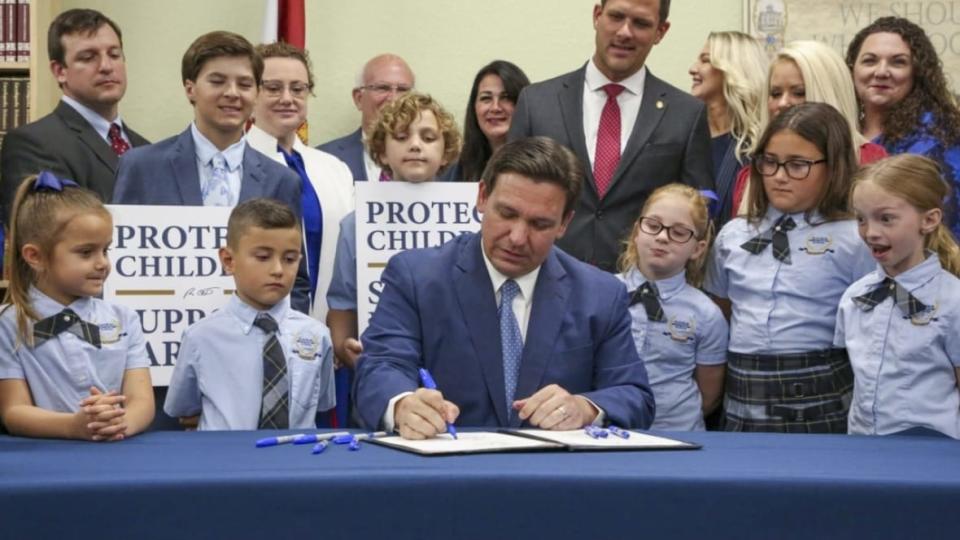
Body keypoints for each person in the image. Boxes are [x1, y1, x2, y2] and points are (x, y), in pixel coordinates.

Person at [354, 136, 655, 439]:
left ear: (564, 223)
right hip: (446, 474)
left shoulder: (600, 294)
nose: (517, 237)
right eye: (508, 214)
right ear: (482, 197)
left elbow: (634, 395)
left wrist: (586, 408)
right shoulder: (416, 277)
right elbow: (379, 370)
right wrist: (404, 405)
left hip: (556, 477)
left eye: (540, 224)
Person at [110, 31, 311, 314]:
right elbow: (119, 268)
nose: (232, 93)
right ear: (190, 88)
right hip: (161, 342)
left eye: (244, 84)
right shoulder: (141, 167)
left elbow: (297, 280)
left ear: (255, 93)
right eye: (217, 81)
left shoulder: (282, 179)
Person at [704, 103, 875, 433]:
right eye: (770, 162)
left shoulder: (854, 239)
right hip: (743, 394)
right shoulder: (733, 235)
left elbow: (869, 328)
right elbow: (719, 313)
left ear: (833, 166)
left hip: (822, 394)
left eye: (798, 165)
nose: (780, 177)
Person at [508, 0, 713, 272]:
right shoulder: (536, 102)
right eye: (616, 16)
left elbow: (699, 211)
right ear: (597, 15)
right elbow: (511, 194)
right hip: (545, 277)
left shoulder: (687, 114)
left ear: (661, 31)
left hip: (639, 291)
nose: (625, 32)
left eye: (640, 23)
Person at [0, 172, 154, 440]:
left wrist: (117, 424)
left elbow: (142, 402)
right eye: (86, 252)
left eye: (106, 250)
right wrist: (74, 425)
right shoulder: (11, 324)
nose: (102, 263)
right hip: (48, 458)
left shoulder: (124, 319)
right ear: (35, 256)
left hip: (118, 448)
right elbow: (14, 411)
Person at [164, 198, 335, 430]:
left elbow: (322, 405)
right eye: (263, 257)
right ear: (228, 260)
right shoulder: (200, 338)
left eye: (290, 259)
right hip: (225, 461)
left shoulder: (317, 336)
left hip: (297, 460)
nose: (277, 270)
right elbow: (184, 410)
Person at [326, 92, 461, 371]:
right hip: (382, 365)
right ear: (381, 152)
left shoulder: (473, 221)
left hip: (458, 365)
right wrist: (343, 345)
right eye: (401, 137)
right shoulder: (356, 224)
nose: (414, 145)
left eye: (428, 137)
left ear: (446, 151)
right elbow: (342, 303)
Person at [838, 155, 960, 439]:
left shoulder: (953, 300)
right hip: (863, 446)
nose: (871, 232)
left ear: (929, 220)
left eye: (886, 219)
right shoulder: (854, 297)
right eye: (861, 219)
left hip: (933, 452)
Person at [0, 8, 149, 223]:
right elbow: (43, 231)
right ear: (60, 71)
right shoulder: (32, 144)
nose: (106, 66)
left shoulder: (146, 149)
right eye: (88, 57)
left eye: (114, 55)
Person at [246, 42, 354, 320]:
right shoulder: (235, 165)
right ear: (252, 93)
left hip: (329, 327)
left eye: (298, 89)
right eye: (272, 88)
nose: (287, 98)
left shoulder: (335, 169)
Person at [732, 40, 888, 216]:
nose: (783, 103)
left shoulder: (871, 162)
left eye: (799, 92)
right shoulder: (751, 176)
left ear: (828, 94)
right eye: (775, 94)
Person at [617, 183, 726, 430]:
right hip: (610, 432)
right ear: (637, 231)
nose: (662, 237)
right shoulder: (603, 293)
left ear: (697, 249)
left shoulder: (706, 314)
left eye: (678, 233)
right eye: (653, 226)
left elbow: (709, 396)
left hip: (678, 434)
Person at [846, 17, 960, 238]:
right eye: (869, 61)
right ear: (852, 70)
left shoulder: (939, 136)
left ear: (917, 73)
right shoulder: (840, 128)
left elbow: (947, 222)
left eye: (897, 62)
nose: (881, 72)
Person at [687, 31, 766, 227]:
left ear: (732, 70)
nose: (692, 69)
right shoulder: (683, 135)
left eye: (705, 60)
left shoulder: (759, 146)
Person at [317, 54, 415, 182]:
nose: (394, 99)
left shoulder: (441, 163)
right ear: (359, 99)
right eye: (382, 88)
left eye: (402, 89)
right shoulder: (324, 158)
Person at [443, 60, 530, 182]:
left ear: (523, 103)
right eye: (486, 98)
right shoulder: (456, 171)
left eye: (506, 97)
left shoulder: (543, 167)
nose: (495, 107)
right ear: (474, 108)